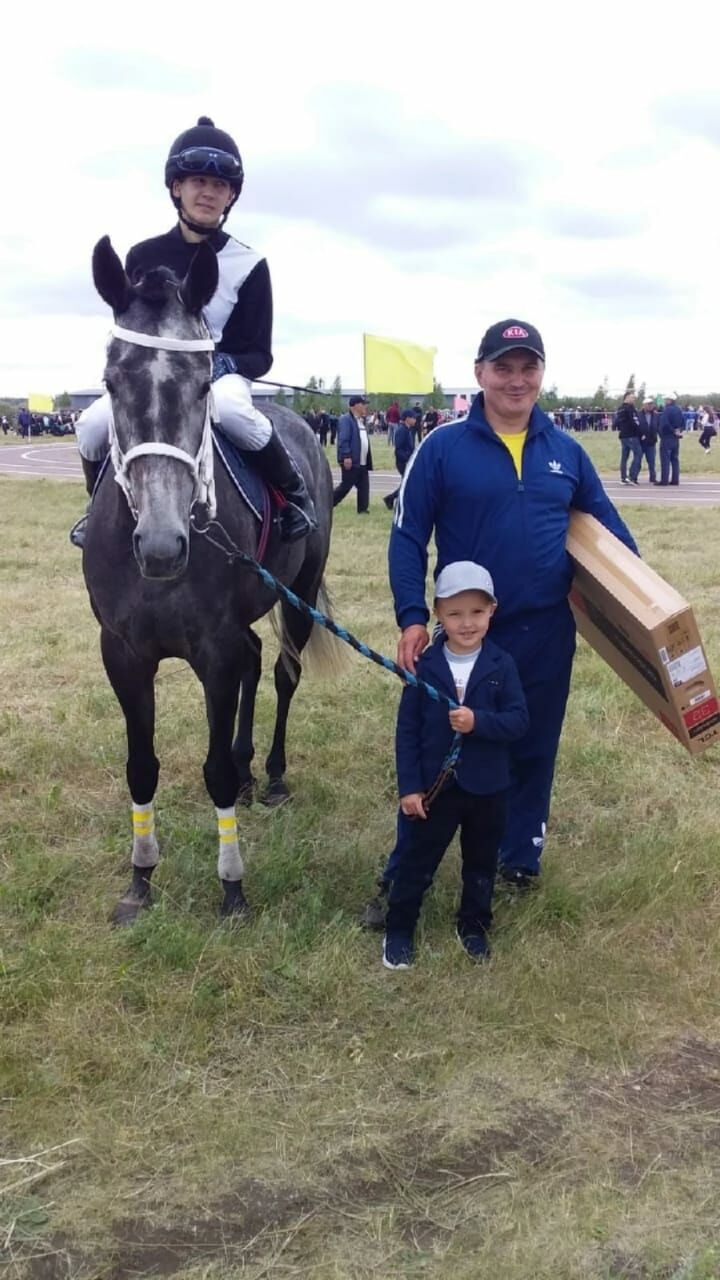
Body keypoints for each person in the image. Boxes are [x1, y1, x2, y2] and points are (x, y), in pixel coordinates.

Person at [362, 318, 638, 928]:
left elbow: (611, 533)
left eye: (528, 366)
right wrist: (412, 616)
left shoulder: (565, 452)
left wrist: (644, 602)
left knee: (531, 744)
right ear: (479, 373)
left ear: (542, 373)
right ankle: (405, 873)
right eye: (503, 367)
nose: (517, 379)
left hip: (545, 632)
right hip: (468, 632)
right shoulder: (443, 447)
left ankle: (517, 857)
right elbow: (408, 535)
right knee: (444, 751)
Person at [72, 116, 317, 545]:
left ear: (231, 197)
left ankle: (294, 496)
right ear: (176, 188)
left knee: (233, 410)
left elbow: (260, 354)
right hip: (155, 378)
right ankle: (96, 509)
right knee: (92, 425)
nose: (209, 192)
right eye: (199, 180)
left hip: (216, 379)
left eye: (220, 186)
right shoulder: (141, 254)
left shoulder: (250, 265)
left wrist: (223, 363)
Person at [383, 561, 529, 970]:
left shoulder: (502, 665)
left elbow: (519, 721)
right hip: (435, 788)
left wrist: (477, 722)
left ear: (492, 612)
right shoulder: (425, 668)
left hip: (488, 789)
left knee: (480, 863)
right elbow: (407, 731)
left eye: (477, 613)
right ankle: (399, 928)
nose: (467, 623)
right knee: (418, 860)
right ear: (438, 614)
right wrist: (409, 788)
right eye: (455, 613)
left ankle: (474, 926)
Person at [333, 396, 373, 514]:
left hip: (362, 461)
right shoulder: (346, 420)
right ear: (355, 405)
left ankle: (363, 509)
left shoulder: (359, 421)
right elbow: (343, 439)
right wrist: (346, 456)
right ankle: (329, 502)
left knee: (364, 486)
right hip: (351, 460)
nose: (365, 407)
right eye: (363, 404)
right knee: (346, 486)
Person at [383, 406, 416, 510]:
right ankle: (391, 498)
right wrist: (407, 459)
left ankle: (393, 499)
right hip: (403, 462)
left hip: (406, 461)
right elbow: (399, 449)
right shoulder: (402, 430)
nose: (415, 420)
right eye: (413, 417)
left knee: (408, 483)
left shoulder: (407, 429)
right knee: (408, 483)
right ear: (407, 418)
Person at [616, 390, 642, 485]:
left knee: (624, 457)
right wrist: (640, 432)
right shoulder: (629, 409)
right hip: (631, 435)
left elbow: (617, 422)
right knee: (638, 454)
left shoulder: (620, 409)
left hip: (623, 435)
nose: (634, 399)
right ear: (626, 398)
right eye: (632, 397)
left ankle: (623, 477)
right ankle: (632, 476)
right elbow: (634, 422)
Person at [659, 392, 684, 485]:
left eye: (666, 399)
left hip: (667, 437)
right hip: (676, 437)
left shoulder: (667, 410)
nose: (665, 401)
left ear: (670, 400)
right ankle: (675, 479)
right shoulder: (678, 409)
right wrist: (678, 431)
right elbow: (683, 423)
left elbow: (664, 423)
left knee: (665, 459)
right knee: (675, 459)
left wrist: (671, 431)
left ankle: (664, 480)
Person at [638, 397, 658, 483]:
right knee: (637, 460)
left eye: (651, 404)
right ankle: (634, 477)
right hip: (640, 442)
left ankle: (653, 478)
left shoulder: (656, 415)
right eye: (648, 404)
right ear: (644, 405)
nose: (650, 406)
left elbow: (658, 426)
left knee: (652, 461)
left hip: (651, 441)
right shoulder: (638, 414)